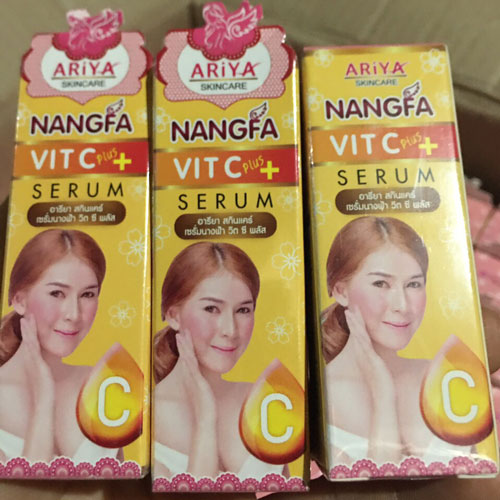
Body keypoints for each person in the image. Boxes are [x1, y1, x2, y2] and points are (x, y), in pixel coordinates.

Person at [322, 216, 472, 465]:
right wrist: (383, 396)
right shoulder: (321, 395)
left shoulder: (444, 378)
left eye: (413, 284)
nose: (402, 305)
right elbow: (382, 478)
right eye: (381, 283)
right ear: (341, 291)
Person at [154, 241, 285, 479]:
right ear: (173, 315)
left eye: (243, 310)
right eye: (211, 309)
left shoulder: (265, 402)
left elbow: (282, 489)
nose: (230, 330)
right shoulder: (147, 412)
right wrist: (205, 420)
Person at [0, 229, 118, 463]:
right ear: (19, 300)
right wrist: (44, 401)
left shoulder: (103, 385)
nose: (74, 314)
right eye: (56, 293)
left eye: (87, 295)